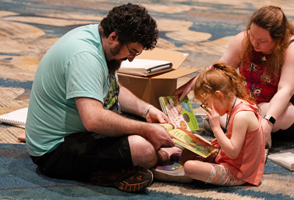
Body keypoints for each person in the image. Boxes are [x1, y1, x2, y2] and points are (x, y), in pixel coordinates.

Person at [25, 3, 180, 193]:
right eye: (132, 51)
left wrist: (147, 110)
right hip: (53, 151)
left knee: (142, 126)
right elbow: (94, 120)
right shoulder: (85, 56)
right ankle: (167, 157)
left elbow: (113, 89)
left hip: (76, 132)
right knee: (144, 149)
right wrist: (147, 131)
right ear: (114, 37)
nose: (132, 59)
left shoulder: (99, 38)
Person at [175, 6, 294, 148]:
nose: (255, 43)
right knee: (218, 103)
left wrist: (267, 122)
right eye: (252, 36)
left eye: (262, 40)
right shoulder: (244, 39)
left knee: (261, 111)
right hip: (248, 107)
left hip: (284, 111)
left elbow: (285, 90)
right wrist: (192, 83)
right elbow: (220, 68)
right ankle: (246, 132)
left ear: (278, 39)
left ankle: (239, 129)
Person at [182, 62, 264, 186]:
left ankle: (182, 172)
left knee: (189, 167)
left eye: (206, 103)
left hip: (238, 173)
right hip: (226, 158)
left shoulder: (242, 115)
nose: (206, 108)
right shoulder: (235, 106)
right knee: (192, 142)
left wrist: (216, 128)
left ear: (219, 96)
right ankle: (179, 167)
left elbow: (233, 152)